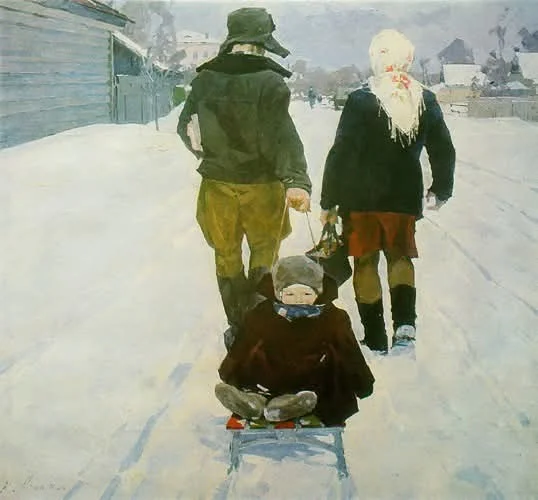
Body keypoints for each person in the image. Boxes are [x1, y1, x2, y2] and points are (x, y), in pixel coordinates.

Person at [177, 8, 312, 350]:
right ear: (263, 41)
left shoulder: (205, 79)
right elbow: (282, 137)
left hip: (217, 186)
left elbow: (186, 128)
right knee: (264, 255)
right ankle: (259, 329)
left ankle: (237, 329)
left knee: (226, 255)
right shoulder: (270, 81)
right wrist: (296, 180)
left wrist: (210, 156)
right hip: (263, 187)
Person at [320, 29, 456, 353]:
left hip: (360, 197)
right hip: (403, 195)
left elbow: (341, 152)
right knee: (400, 255)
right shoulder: (424, 97)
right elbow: (443, 149)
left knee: (365, 261)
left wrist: (329, 200)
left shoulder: (361, 98)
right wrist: (441, 188)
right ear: (407, 59)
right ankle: (405, 328)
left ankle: (375, 338)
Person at [215, 256, 374, 426]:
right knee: (257, 360)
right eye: (290, 294)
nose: (299, 299)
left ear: (318, 293)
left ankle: (291, 406)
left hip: (313, 384)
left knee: (330, 374)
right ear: (278, 293)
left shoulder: (333, 318)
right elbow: (244, 346)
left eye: (306, 293)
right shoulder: (262, 314)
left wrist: (362, 383)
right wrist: (229, 371)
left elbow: (349, 351)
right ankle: (253, 402)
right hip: (271, 380)